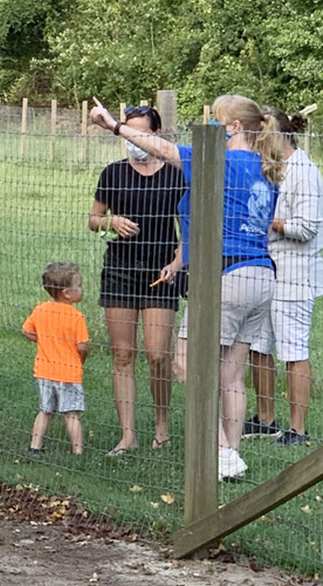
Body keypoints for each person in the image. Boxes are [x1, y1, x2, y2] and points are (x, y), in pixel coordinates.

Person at [90, 94, 285, 480]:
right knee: (230, 373)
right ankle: (230, 459)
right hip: (262, 274)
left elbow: (159, 147)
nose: (209, 127)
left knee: (184, 362)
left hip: (226, 275)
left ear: (231, 128)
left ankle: (222, 450)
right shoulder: (267, 166)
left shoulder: (218, 161)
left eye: (215, 120)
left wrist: (113, 124)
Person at [87, 105, 187, 456]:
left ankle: (162, 426)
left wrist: (178, 262)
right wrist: (110, 223)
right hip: (120, 269)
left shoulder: (177, 175)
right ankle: (127, 435)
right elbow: (93, 219)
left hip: (163, 271)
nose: (132, 140)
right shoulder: (112, 174)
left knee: (158, 354)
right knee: (123, 355)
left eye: (140, 132)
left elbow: (189, 229)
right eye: (127, 131)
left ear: (156, 135)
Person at [247, 107, 323, 446]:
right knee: (258, 345)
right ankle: (265, 419)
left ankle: (298, 428)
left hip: (295, 274)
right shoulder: (272, 169)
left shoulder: (304, 172)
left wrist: (268, 223)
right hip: (267, 268)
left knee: (293, 349)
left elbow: (306, 228)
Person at [22, 262, 89, 455]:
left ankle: (35, 446)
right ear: (67, 293)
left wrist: (43, 340)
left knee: (45, 411)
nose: (82, 289)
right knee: (71, 414)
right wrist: (82, 356)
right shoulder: (76, 316)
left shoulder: (41, 309)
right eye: (80, 285)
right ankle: (78, 451)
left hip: (44, 372)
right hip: (69, 373)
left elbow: (26, 331)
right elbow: (82, 345)